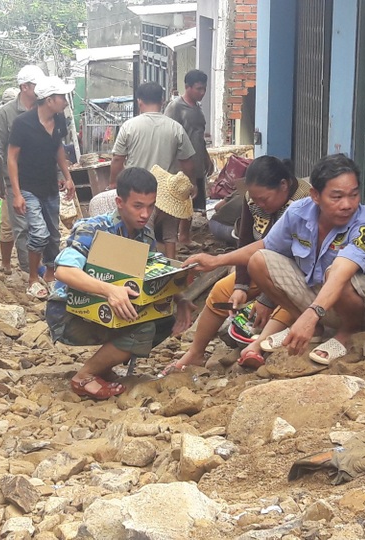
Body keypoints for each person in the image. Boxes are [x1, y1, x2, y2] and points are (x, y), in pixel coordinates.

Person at [184, 154, 365, 366]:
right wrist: (216, 261)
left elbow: (341, 273)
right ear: (316, 196)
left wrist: (310, 316)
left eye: (354, 195)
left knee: (336, 273)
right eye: (337, 197)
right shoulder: (298, 212)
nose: (347, 204)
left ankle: (348, 332)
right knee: (258, 260)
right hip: (319, 297)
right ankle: (316, 331)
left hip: (363, 308)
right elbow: (265, 246)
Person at [47, 168, 194, 399]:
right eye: (138, 206)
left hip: (106, 312)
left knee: (165, 319)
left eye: (150, 206)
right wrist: (109, 290)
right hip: (68, 314)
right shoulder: (92, 229)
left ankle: (103, 368)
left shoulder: (145, 236)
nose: (145, 214)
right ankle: (84, 376)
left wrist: (181, 298)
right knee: (143, 326)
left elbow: (150, 278)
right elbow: (64, 271)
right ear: (119, 202)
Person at [162, 156, 312, 374]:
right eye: (256, 199)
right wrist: (241, 286)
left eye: (265, 199)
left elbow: (290, 255)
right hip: (257, 265)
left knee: (286, 301)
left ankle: (258, 345)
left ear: (283, 185)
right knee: (223, 290)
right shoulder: (253, 198)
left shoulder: (302, 204)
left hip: (297, 270)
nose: (259, 204)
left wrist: (265, 299)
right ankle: (195, 353)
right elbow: (246, 241)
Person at [8, 75, 77, 300]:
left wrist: (68, 176)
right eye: (62, 97)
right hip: (28, 186)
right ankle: (32, 279)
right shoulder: (23, 123)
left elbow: (58, 148)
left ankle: (49, 275)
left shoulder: (59, 121)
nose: (66, 101)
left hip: (49, 185)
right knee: (38, 232)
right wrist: (16, 193)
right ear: (49, 100)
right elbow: (12, 158)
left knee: (54, 234)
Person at [109, 82, 196, 258]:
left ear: (139, 101)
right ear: (162, 101)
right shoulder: (175, 128)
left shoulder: (129, 126)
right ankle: (172, 269)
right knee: (170, 234)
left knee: (141, 234)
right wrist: (190, 185)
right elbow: (187, 161)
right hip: (168, 192)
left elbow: (118, 159)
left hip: (137, 192)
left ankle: (139, 269)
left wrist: (113, 182)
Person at [0, 66, 44, 274]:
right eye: (36, 85)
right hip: (15, 181)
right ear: (25, 87)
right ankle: (28, 271)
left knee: (41, 225)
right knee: (20, 227)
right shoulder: (6, 114)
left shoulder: (44, 109)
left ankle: (40, 268)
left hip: (40, 179)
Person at [165, 69, 213, 244]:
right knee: (180, 200)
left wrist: (206, 157)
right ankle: (175, 237)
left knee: (192, 200)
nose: (202, 93)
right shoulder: (175, 107)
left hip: (197, 161)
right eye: (199, 89)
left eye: (204, 89)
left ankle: (185, 237)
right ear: (187, 87)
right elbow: (169, 134)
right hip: (182, 164)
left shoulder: (197, 108)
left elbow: (198, 136)